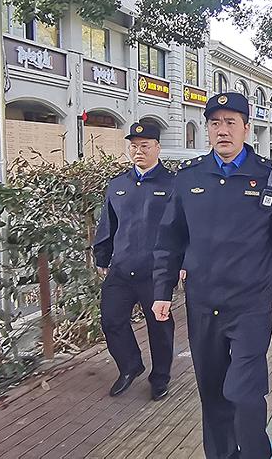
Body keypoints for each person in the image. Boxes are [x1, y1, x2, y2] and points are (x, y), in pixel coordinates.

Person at [151, 92, 272, 458]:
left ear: (246, 128)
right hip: (203, 304)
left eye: (231, 123)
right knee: (213, 393)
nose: (223, 130)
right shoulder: (188, 178)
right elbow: (170, 239)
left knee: (245, 392)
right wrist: (162, 290)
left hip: (250, 305)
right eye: (215, 123)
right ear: (207, 129)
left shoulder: (269, 178)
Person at [93, 122, 176, 401]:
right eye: (134, 146)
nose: (138, 151)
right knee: (111, 320)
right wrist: (102, 256)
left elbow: (184, 227)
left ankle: (160, 378)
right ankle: (130, 366)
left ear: (157, 148)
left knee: (160, 327)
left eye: (145, 146)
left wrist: (184, 262)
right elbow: (108, 224)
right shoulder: (118, 185)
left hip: (156, 271)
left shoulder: (172, 184)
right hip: (121, 267)